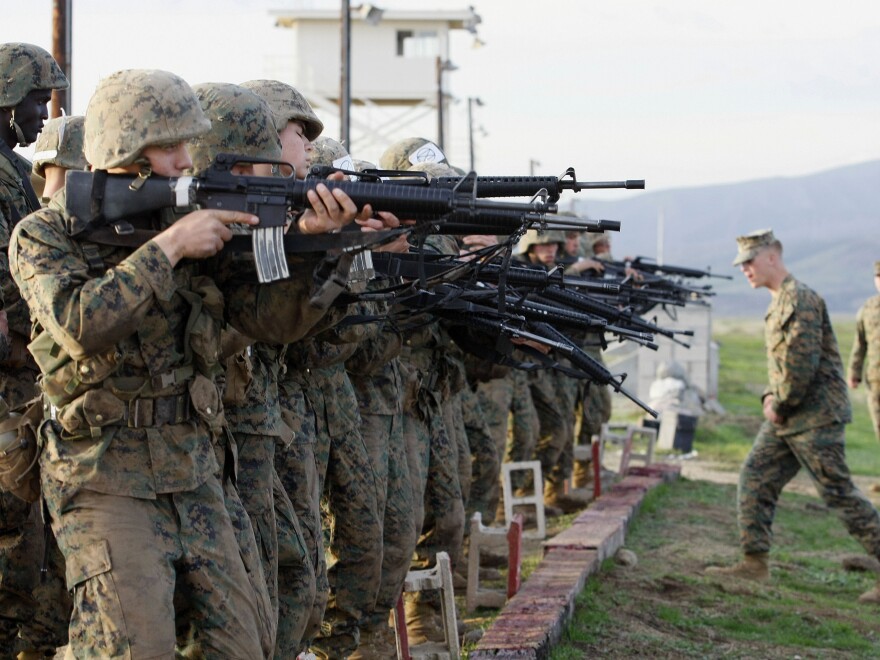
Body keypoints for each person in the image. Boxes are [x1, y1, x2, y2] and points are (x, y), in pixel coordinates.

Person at [9, 68, 360, 658]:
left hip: (194, 469)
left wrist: (325, 247)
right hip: (102, 476)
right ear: (125, 147)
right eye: (170, 145)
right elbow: (78, 323)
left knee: (243, 646)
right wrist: (169, 249)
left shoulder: (190, 223)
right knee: (134, 646)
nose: (184, 158)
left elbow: (270, 321)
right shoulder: (46, 234)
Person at [706, 229, 880, 604]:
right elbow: (784, 366)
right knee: (755, 476)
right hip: (788, 417)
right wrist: (773, 398)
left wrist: (778, 404)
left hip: (814, 416)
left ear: (772, 257)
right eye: (742, 264)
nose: (745, 270)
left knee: (839, 493)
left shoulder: (800, 299)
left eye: (750, 261)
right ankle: (754, 564)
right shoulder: (780, 300)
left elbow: (801, 365)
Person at [0, 42, 70, 659]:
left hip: (26, 368)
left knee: (32, 540)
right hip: (6, 375)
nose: (38, 115)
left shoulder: (13, 172)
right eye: (31, 99)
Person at [847, 261, 880, 454]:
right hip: (875, 380)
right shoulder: (868, 308)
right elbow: (860, 343)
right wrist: (854, 372)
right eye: (878, 277)